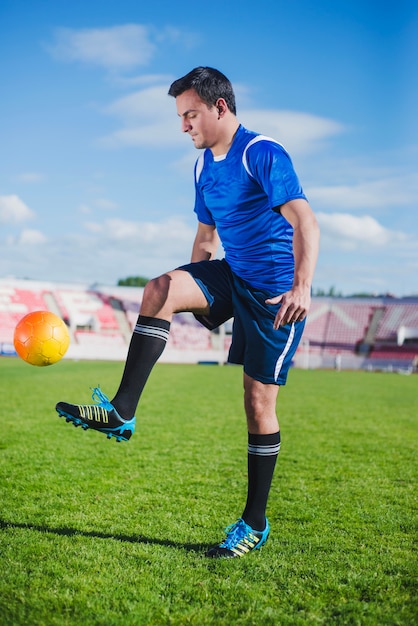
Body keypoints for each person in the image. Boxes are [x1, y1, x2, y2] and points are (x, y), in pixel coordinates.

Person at [56, 67, 320, 559]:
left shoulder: (262, 151)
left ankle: (254, 522)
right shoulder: (202, 168)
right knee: (159, 289)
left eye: (191, 114)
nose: (184, 127)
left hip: (273, 296)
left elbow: (305, 220)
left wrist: (302, 287)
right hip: (232, 276)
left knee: (258, 405)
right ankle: (122, 411)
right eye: (180, 117)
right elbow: (204, 239)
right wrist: (194, 293)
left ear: (220, 108)